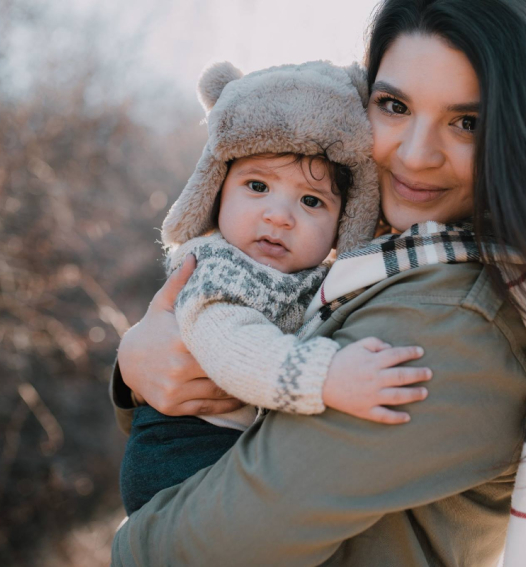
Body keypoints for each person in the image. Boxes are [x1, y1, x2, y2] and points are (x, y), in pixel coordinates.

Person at [110, 0, 526, 565]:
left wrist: (127, 547)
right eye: (394, 105)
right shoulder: (380, 262)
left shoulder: (455, 316)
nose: (416, 154)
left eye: (466, 122)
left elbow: (199, 547)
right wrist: (140, 367)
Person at [119, 60, 435, 515]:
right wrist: (325, 377)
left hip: (232, 450)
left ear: (345, 222)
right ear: (216, 191)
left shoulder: (316, 278)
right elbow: (234, 346)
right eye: (257, 185)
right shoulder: (216, 270)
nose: (279, 215)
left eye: (311, 201)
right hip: (182, 458)